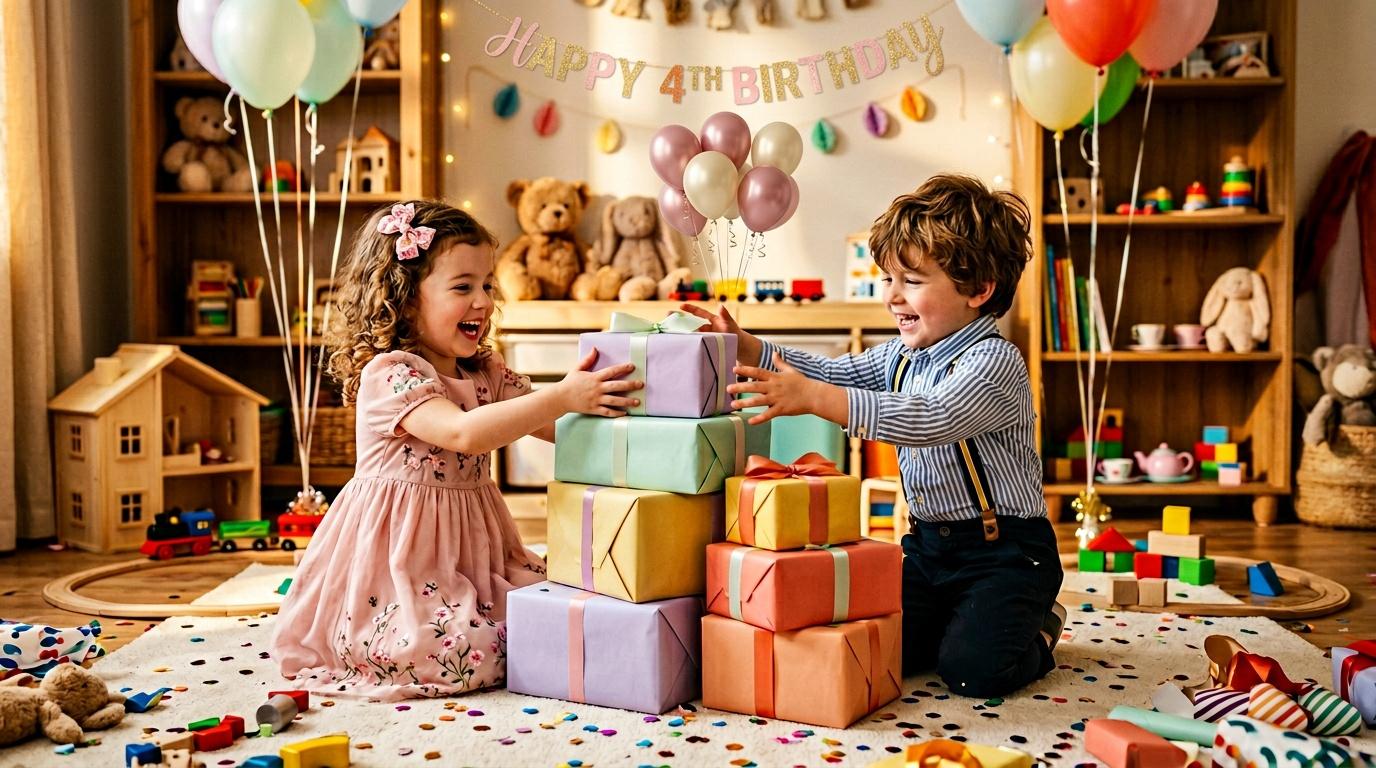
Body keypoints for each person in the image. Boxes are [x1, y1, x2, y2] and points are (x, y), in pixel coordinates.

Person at [683, 174, 1064, 697]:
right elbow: (833, 373)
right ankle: (967, 620)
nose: (891, 296)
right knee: (879, 648)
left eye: (911, 280)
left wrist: (814, 401)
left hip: (1006, 553)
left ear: (979, 290)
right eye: (888, 278)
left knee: (972, 671)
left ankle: (1041, 626)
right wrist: (751, 348)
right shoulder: (903, 355)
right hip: (930, 549)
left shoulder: (995, 362)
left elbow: (928, 417)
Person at [270, 201, 641, 699]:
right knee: (455, 652)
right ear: (403, 301)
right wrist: (563, 392)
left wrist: (620, 417)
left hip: (474, 550)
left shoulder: (485, 371)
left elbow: (557, 427)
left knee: (551, 611)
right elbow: (466, 432)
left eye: (487, 285)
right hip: (402, 556)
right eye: (462, 287)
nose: (483, 302)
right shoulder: (391, 374)